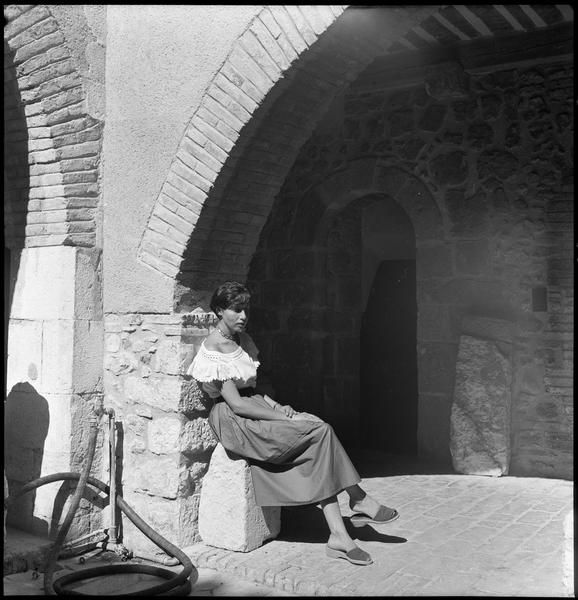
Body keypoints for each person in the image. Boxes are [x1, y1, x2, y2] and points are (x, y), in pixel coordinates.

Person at [188, 281, 399, 566]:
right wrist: (283, 417)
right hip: (236, 421)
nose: (243, 316)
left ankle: (340, 534)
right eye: (236, 310)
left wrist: (280, 407)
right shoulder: (215, 347)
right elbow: (237, 403)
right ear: (219, 311)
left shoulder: (243, 341)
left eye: (245, 309)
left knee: (319, 428)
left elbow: (255, 390)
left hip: (256, 408)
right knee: (318, 430)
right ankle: (357, 500)